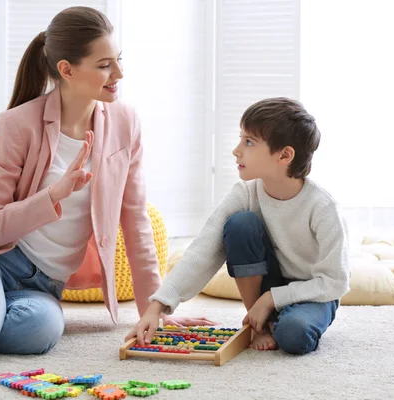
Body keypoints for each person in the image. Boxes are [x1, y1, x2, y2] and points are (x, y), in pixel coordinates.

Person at [0, 6, 212, 362]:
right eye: (104, 65)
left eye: (118, 60)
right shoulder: (16, 125)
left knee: (39, 332)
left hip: (44, 286)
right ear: (67, 70)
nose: (119, 73)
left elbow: (135, 220)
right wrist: (52, 195)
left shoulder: (125, 122)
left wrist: (155, 310)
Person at [126, 97, 350, 355]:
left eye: (249, 142)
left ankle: (274, 318)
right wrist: (156, 307)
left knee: (294, 336)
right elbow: (205, 247)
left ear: (285, 155)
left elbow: (336, 282)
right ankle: (258, 324)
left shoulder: (322, 207)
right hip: (268, 282)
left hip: (312, 293)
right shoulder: (245, 193)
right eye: (240, 138)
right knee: (240, 224)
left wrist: (273, 299)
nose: (236, 150)